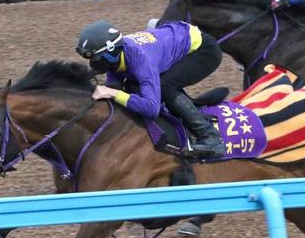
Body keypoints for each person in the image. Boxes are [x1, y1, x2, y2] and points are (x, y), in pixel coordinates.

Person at [75, 20, 225, 157]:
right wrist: (112, 91)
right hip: (173, 39)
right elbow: (115, 84)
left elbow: (151, 108)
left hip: (202, 51)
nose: (93, 63)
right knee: (133, 88)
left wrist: (113, 93)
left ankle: (211, 138)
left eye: (95, 58)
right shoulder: (116, 56)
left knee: (166, 86)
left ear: (112, 52)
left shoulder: (141, 59)